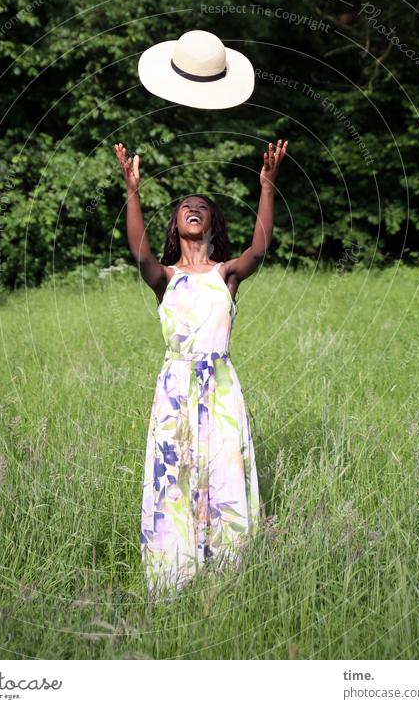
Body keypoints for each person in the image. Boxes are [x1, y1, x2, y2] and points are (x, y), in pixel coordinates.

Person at [115, 139, 288, 601]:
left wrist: (267, 187)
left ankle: (230, 577)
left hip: (221, 390)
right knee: (174, 477)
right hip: (174, 389)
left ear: (212, 222)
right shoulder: (165, 278)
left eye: (202, 207)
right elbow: (140, 255)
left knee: (223, 473)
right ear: (176, 224)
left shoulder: (226, 274)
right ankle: (174, 577)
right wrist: (132, 190)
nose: (193, 208)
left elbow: (259, 249)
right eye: (185, 207)